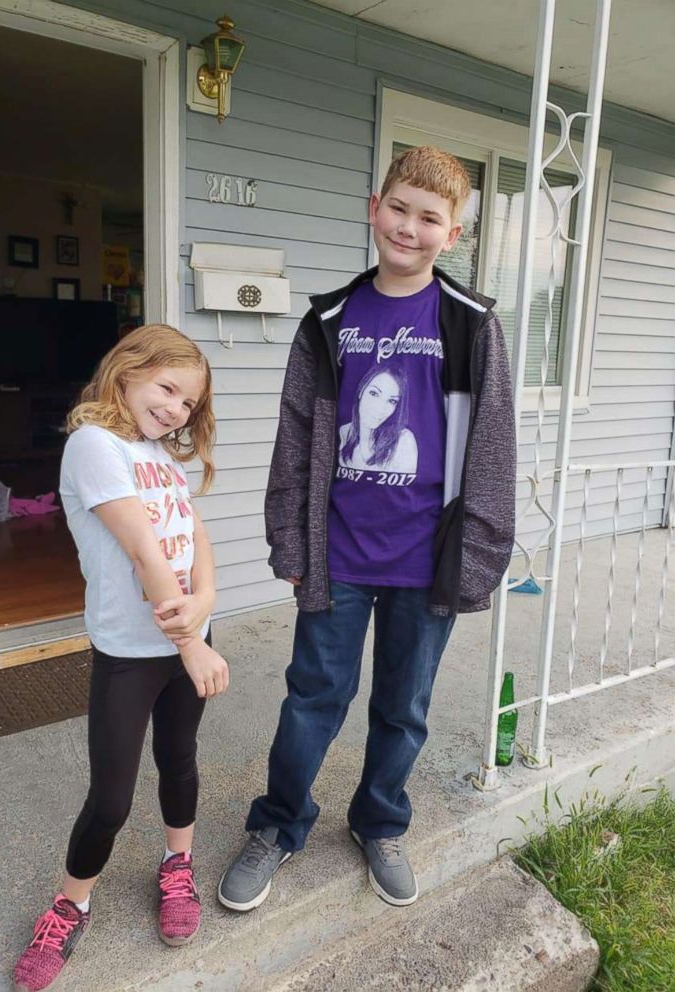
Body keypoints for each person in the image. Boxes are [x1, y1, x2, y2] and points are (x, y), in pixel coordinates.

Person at [218, 145, 515, 912]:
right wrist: (289, 539)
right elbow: (294, 437)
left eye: (429, 218)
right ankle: (278, 825)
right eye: (398, 208)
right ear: (372, 207)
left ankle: (379, 822)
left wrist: (478, 558)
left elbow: (491, 444)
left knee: (402, 707)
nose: (408, 228)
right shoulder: (328, 320)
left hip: (428, 558)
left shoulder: (471, 322)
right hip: (337, 553)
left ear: (452, 235)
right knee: (313, 696)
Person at [13, 325, 229, 992]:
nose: (175, 408)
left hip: (187, 639)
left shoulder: (156, 452)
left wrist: (208, 603)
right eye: (167, 388)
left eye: (188, 402)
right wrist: (189, 643)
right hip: (134, 654)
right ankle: (69, 905)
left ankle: (176, 866)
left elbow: (191, 531)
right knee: (109, 797)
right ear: (126, 373)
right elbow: (143, 551)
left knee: (180, 761)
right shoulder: (94, 445)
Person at [339, 365, 418, 473]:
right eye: (374, 393)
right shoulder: (345, 432)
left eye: (392, 401)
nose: (380, 408)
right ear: (361, 391)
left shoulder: (404, 441)